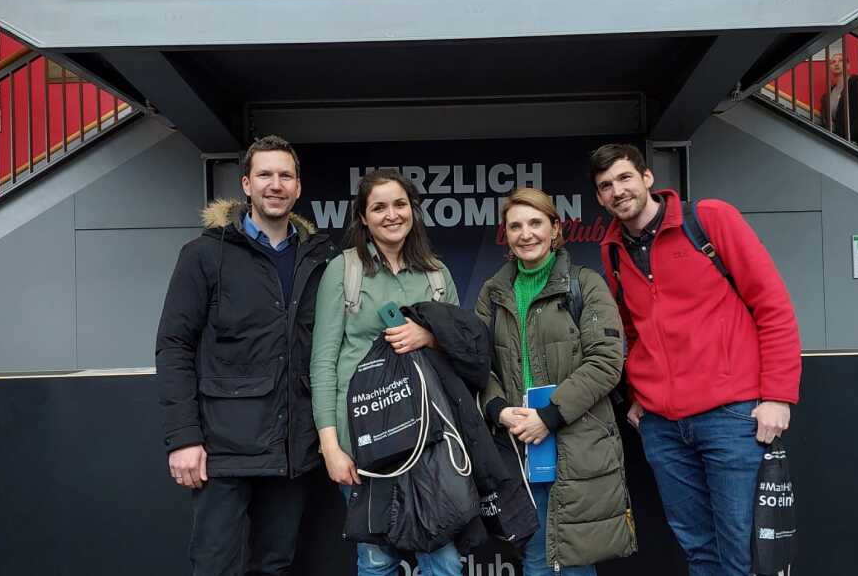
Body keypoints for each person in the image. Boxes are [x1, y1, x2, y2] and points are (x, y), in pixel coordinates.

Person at [592, 144, 802, 576]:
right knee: (699, 552)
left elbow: (773, 306)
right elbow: (632, 330)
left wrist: (778, 396)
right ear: (599, 198)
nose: (617, 191)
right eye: (605, 186)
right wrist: (637, 396)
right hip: (663, 429)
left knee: (742, 554)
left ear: (647, 178)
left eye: (625, 177)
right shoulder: (612, 251)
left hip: (732, 417)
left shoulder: (708, 219)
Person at [155, 135, 337, 575]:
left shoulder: (320, 258)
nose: (276, 184)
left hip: (293, 447)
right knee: (215, 565)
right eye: (265, 175)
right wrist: (184, 438)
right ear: (246, 184)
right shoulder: (204, 254)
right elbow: (174, 346)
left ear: (298, 187)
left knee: (274, 565)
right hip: (223, 448)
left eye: (285, 176)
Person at [309, 168, 462, 576]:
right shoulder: (343, 272)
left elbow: (462, 351)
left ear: (412, 209)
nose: (391, 215)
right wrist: (330, 446)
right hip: (362, 444)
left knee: (444, 562)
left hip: (428, 442)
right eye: (379, 207)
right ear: (362, 217)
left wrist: (428, 337)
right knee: (376, 562)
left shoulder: (436, 273)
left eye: (400, 204)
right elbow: (323, 362)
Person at [475, 188, 634, 576]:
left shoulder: (586, 284)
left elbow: (607, 361)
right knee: (535, 559)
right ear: (506, 235)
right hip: (518, 447)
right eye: (515, 226)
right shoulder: (492, 294)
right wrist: (497, 409)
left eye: (535, 223)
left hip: (576, 443)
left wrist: (548, 416)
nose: (525, 233)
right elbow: (476, 365)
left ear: (555, 229)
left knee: (572, 561)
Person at [819, 51, 858, 152]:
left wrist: (853, 136)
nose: (836, 63)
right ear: (830, 68)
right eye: (833, 62)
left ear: (848, 65)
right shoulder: (828, 96)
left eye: (841, 61)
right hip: (838, 143)